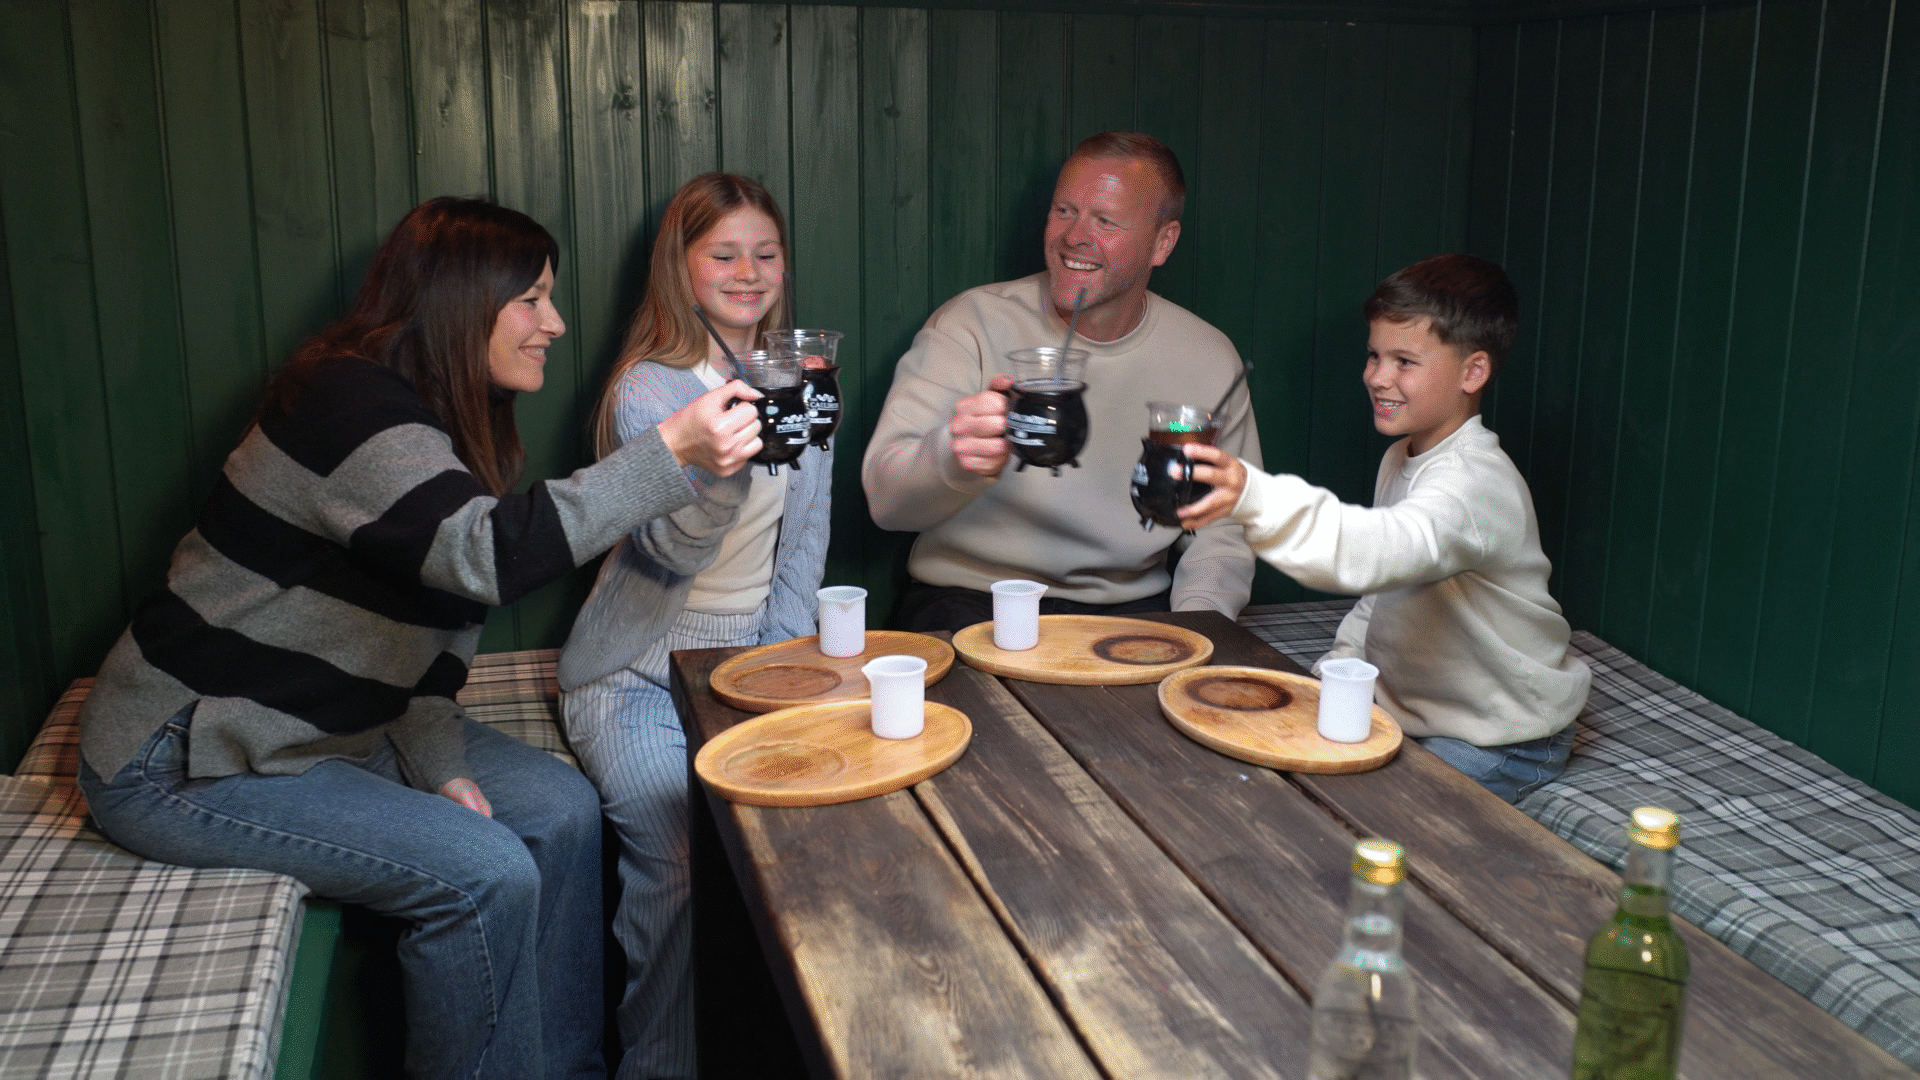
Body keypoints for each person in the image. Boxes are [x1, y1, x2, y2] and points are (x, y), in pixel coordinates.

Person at [73, 196, 766, 1080]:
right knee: (486, 874)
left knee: (561, 814)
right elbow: (480, 558)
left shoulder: (447, 421)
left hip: (328, 730)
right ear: (460, 301)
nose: (553, 323)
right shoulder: (347, 400)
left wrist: (437, 758)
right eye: (532, 299)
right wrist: (671, 450)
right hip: (185, 754)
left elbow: (428, 638)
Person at [557, 173, 829, 1080]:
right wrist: (736, 449)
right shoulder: (651, 389)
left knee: (799, 833)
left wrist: (779, 679)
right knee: (681, 845)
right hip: (633, 672)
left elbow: (803, 547)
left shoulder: (800, 371)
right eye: (724, 254)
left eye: (766, 252)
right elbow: (670, 551)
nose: (749, 272)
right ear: (682, 267)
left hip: (748, 660)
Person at [1178, 253, 1592, 802]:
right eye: (1374, 355)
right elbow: (1381, 594)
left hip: (1502, 737)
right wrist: (1335, 675)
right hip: (1414, 711)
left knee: (1376, 814)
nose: (1376, 376)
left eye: (1404, 361)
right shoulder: (1402, 458)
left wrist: (1254, 495)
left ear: (1474, 372)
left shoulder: (1474, 484)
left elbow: (1376, 551)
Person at [862, 131, 1260, 631]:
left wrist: (1197, 630)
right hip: (970, 600)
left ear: (1163, 242)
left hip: (1133, 611)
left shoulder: (1208, 357)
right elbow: (885, 500)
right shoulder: (970, 324)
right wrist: (951, 454)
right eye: (1063, 211)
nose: (1074, 236)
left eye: (1106, 221)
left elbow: (1222, 533)